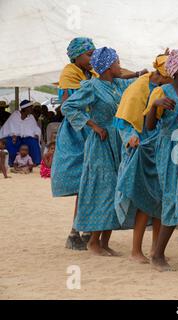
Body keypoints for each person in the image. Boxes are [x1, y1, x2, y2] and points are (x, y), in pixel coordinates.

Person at [62, 47, 135, 256]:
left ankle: (104, 242)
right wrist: (93, 126)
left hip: (118, 141)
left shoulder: (119, 84)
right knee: (102, 189)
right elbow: (68, 107)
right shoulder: (92, 87)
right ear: (108, 66)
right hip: (101, 143)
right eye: (118, 63)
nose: (120, 67)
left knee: (115, 188)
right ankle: (93, 241)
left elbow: (142, 83)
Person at [114, 52, 172, 264]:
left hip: (161, 149)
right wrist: (131, 138)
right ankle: (136, 250)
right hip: (139, 149)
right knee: (143, 200)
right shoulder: (138, 88)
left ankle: (156, 248)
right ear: (162, 74)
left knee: (161, 199)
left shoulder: (166, 89)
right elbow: (123, 120)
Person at [144, 50, 178, 271]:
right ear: (175, 70)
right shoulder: (162, 91)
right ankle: (157, 254)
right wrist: (155, 105)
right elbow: (149, 127)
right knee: (173, 199)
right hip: (169, 150)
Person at [52, 37, 98, 250]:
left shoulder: (91, 74)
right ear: (76, 56)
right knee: (83, 182)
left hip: (92, 129)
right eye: (89, 54)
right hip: (77, 132)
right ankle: (74, 232)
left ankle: (86, 230)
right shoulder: (69, 73)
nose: (92, 58)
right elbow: (68, 107)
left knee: (93, 183)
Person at [0, 100, 42, 166]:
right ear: (25, 108)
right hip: (15, 136)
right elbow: (10, 128)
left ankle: (36, 162)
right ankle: (11, 163)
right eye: (30, 107)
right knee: (10, 142)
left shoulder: (31, 117)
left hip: (26, 138)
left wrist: (36, 134)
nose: (32, 109)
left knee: (33, 141)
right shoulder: (15, 116)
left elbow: (36, 128)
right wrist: (13, 135)